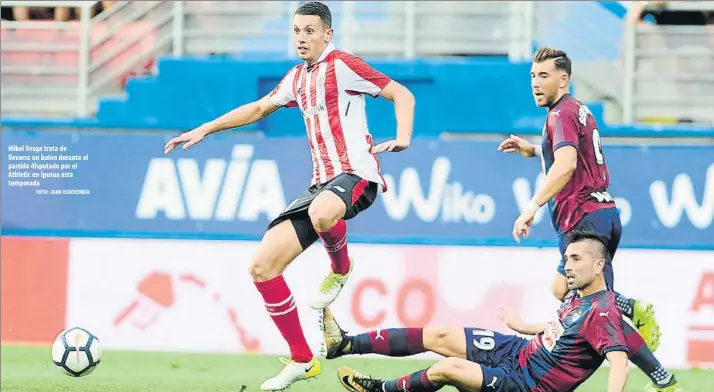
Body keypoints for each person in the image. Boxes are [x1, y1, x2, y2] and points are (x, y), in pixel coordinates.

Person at [164, 2, 415, 390]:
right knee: (262, 267)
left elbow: (402, 93)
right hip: (321, 185)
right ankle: (302, 358)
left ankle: (341, 267)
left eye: (310, 31)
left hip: (356, 176)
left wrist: (402, 137)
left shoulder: (343, 65)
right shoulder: (297, 77)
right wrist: (206, 128)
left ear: (327, 34)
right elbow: (260, 107)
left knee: (323, 211)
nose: (302, 38)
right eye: (297, 31)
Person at [497, 47, 680, 392]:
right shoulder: (577, 110)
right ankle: (633, 315)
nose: (536, 83)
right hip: (600, 215)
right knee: (566, 291)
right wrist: (535, 150)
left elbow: (566, 166)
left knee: (601, 311)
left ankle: (664, 380)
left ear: (563, 79)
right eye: (533, 76)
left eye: (544, 76)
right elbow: (573, 156)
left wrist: (531, 206)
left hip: (582, 219)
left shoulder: (558, 115)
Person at [322, 231, 632, 392]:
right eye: (567, 258)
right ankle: (346, 344)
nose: (568, 265)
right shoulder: (581, 297)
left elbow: (619, 363)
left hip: (528, 384)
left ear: (599, 265)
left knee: (449, 368)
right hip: (518, 352)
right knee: (439, 335)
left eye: (577, 259)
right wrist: (524, 327)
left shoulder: (604, 311)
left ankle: (381, 389)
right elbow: (567, 331)